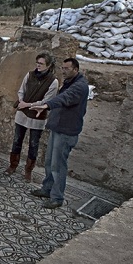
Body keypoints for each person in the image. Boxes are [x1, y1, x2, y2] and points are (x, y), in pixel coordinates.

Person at [29, 57, 89, 209]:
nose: (63, 71)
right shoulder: (69, 82)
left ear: (76, 69)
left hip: (66, 131)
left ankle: (57, 197)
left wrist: (47, 105)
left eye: (67, 68)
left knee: (58, 165)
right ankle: (47, 189)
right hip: (58, 127)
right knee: (49, 161)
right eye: (62, 68)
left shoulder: (80, 86)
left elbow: (65, 98)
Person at [5, 53, 58, 181]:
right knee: (17, 140)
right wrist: (21, 101)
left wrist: (27, 104)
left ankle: (28, 170)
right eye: (37, 63)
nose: (38, 66)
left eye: (41, 64)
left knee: (33, 144)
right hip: (23, 113)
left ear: (48, 65)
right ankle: (13, 165)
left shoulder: (53, 81)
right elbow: (21, 90)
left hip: (37, 117)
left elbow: (47, 100)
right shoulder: (29, 75)